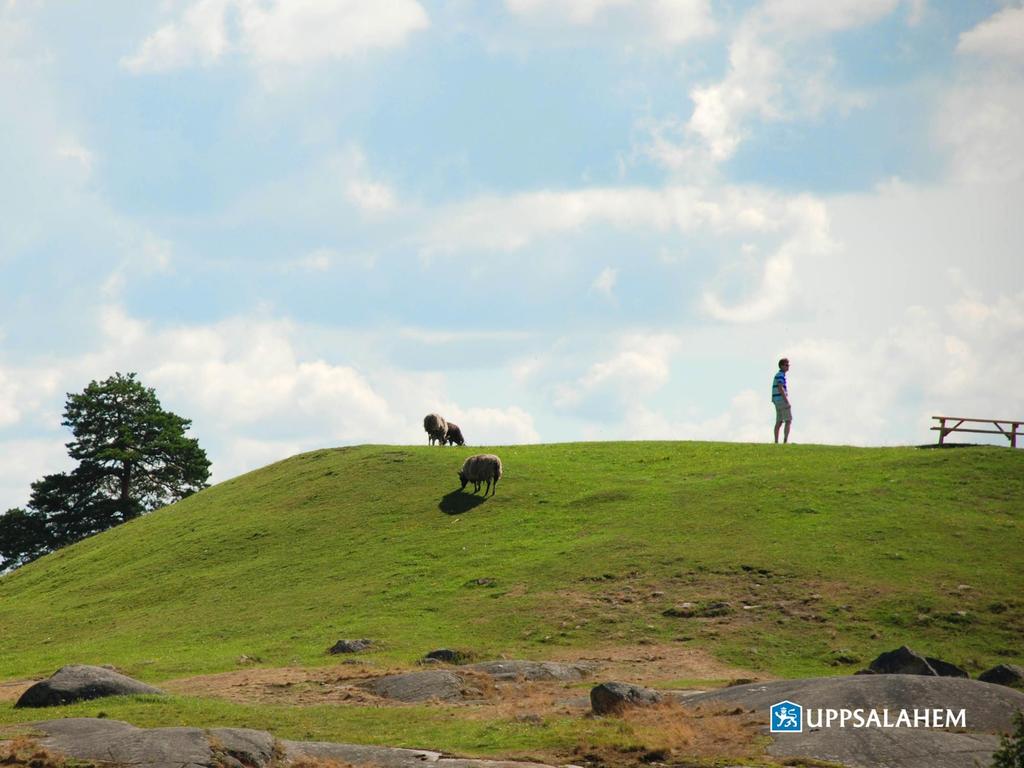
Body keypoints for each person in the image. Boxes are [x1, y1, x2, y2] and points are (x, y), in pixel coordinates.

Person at [772, 358, 792, 444]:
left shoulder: (778, 374)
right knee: (788, 420)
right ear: (781, 366)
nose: (788, 367)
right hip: (782, 400)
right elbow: (780, 388)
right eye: (786, 365)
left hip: (777, 400)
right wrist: (787, 401)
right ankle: (785, 441)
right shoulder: (780, 375)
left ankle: (776, 441)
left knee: (779, 421)